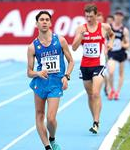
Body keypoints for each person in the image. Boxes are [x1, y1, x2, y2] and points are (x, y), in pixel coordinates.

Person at [27, 11, 74, 150]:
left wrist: (66, 76)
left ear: (51, 23)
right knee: (39, 114)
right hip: (40, 83)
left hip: (55, 83)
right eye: (41, 20)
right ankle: (47, 147)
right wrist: (37, 72)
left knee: (51, 118)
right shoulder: (32, 47)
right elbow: (29, 72)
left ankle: (52, 138)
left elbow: (71, 61)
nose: (44, 22)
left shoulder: (60, 40)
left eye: (47, 19)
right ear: (37, 24)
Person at [72, 4, 115, 134]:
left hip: (99, 63)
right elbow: (73, 47)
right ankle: (94, 119)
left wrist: (110, 44)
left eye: (91, 16)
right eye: (87, 16)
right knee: (90, 95)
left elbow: (112, 35)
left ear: (96, 15)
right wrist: (81, 36)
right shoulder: (81, 28)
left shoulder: (104, 27)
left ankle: (96, 122)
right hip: (85, 65)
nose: (89, 19)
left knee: (96, 93)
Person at [107, 10, 130, 100]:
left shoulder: (124, 30)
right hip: (112, 52)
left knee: (121, 73)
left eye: (120, 16)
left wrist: (122, 44)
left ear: (122, 18)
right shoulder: (109, 27)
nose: (118, 17)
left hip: (121, 53)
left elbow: (128, 44)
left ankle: (117, 92)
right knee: (111, 71)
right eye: (117, 15)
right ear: (114, 16)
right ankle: (112, 89)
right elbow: (104, 38)